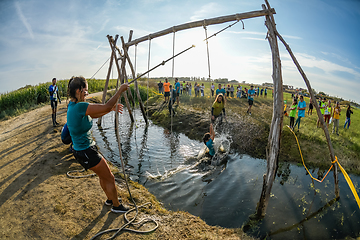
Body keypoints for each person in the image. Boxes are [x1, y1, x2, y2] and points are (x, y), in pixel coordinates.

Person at [66, 76, 129, 213]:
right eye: (86, 91)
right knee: (110, 178)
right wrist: (119, 92)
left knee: (103, 175)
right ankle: (117, 206)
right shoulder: (80, 106)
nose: (87, 94)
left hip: (83, 150)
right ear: (79, 90)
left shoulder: (73, 106)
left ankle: (110, 199)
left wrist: (111, 109)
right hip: (86, 151)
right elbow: (105, 106)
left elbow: (92, 115)